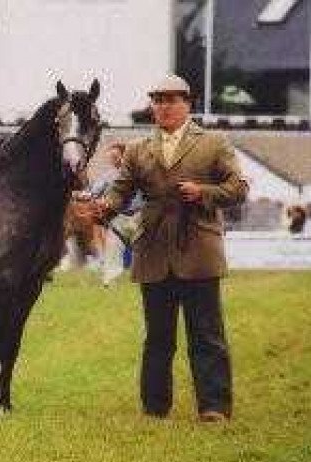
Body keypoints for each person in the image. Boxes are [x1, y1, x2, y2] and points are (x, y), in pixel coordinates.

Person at [95, 74, 249, 422]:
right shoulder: (136, 150)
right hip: (153, 250)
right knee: (158, 336)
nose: (162, 106)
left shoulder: (214, 142)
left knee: (206, 334)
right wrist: (104, 208)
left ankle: (214, 407)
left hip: (199, 249)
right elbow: (121, 190)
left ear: (187, 103)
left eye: (170, 99)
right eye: (157, 99)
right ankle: (154, 407)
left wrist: (204, 193)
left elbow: (238, 188)